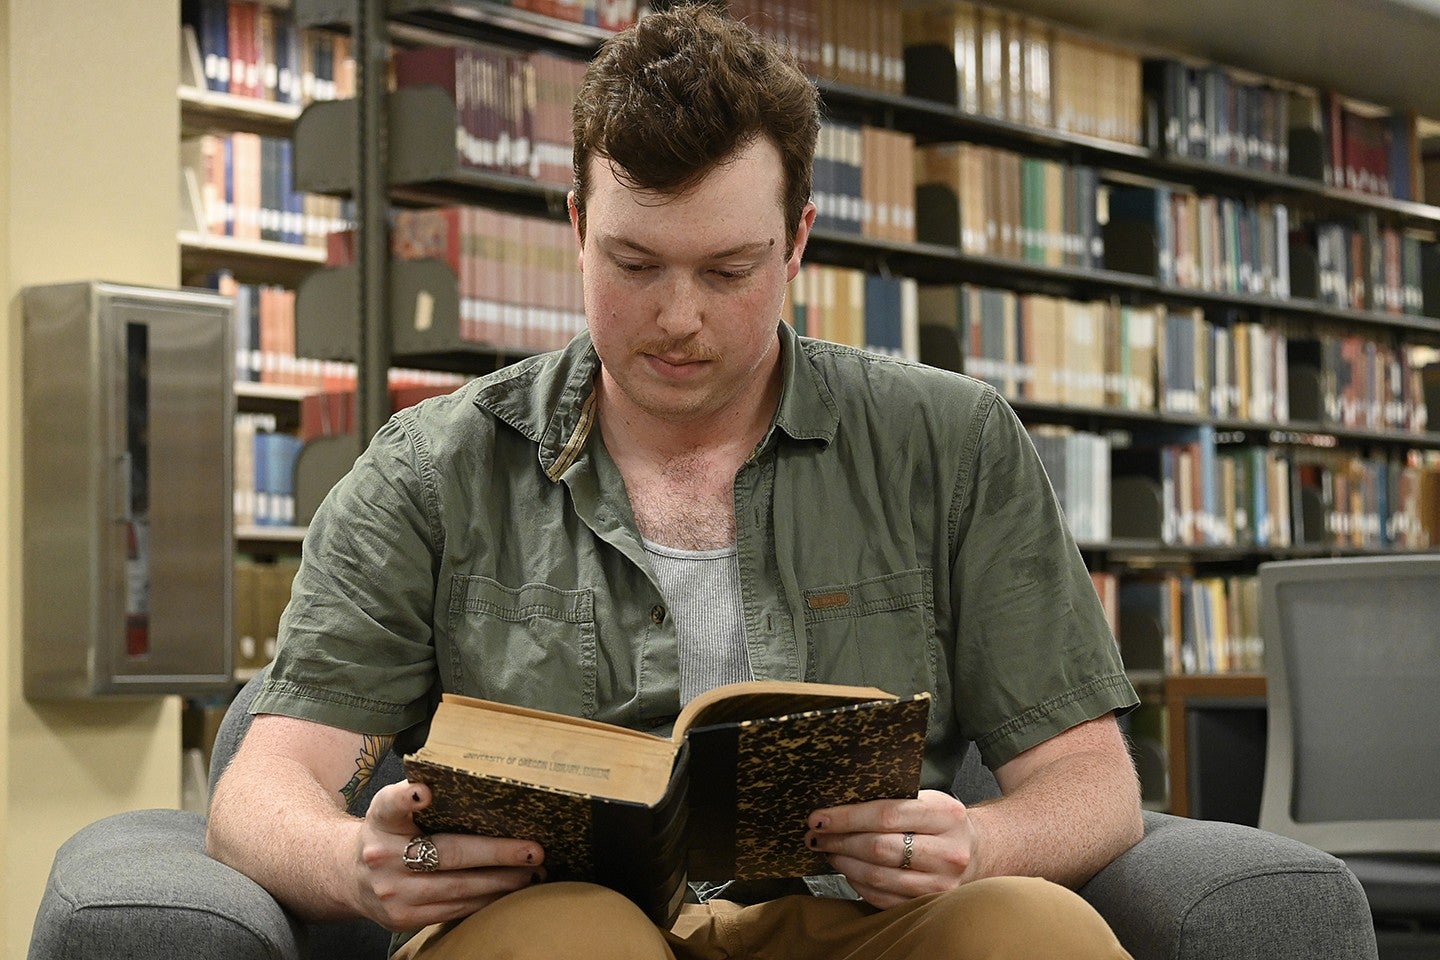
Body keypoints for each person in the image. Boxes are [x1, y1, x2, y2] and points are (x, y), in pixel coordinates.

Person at [207, 5, 1144, 958]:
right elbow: (260, 787)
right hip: (554, 924)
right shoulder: (432, 469)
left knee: (1037, 931)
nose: (679, 318)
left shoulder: (950, 443)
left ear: (796, 243)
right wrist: (354, 861)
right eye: (636, 263)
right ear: (579, 227)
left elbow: (1094, 784)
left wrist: (980, 841)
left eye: (729, 270)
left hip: (856, 923)